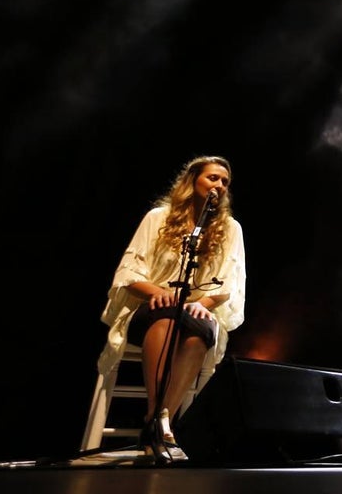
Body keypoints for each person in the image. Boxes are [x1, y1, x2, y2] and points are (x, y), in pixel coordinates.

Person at [96, 155, 247, 462]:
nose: (219, 185)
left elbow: (228, 283)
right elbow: (129, 272)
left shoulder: (230, 228)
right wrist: (160, 292)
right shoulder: (158, 217)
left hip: (197, 311)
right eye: (212, 178)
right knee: (166, 318)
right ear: (193, 181)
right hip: (151, 308)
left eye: (225, 182)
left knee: (200, 331)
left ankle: (157, 422)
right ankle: (160, 419)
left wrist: (202, 304)